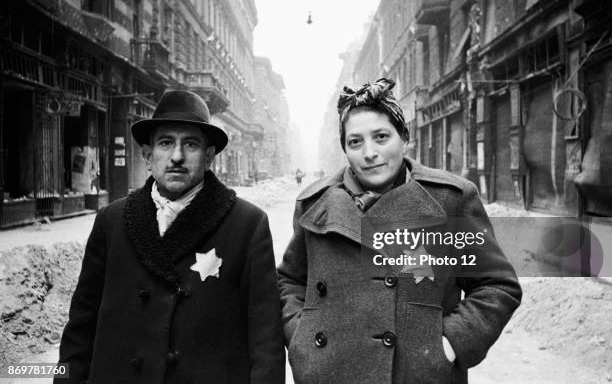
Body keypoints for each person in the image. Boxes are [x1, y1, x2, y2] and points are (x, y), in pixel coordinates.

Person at [278, 79, 522, 383]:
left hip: (416, 374)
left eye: (381, 137)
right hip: (329, 372)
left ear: (403, 138)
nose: (369, 153)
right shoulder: (314, 204)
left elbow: (496, 286)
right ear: (345, 149)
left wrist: (448, 343)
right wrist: (301, 336)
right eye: (355, 142)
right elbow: (289, 280)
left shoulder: (450, 199)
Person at [56, 90, 285, 383]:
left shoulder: (247, 225)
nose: (177, 156)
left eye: (190, 144)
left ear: (209, 157)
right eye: (166, 143)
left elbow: (266, 339)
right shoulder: (111, 222)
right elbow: (80, 327)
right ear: (148, 155)